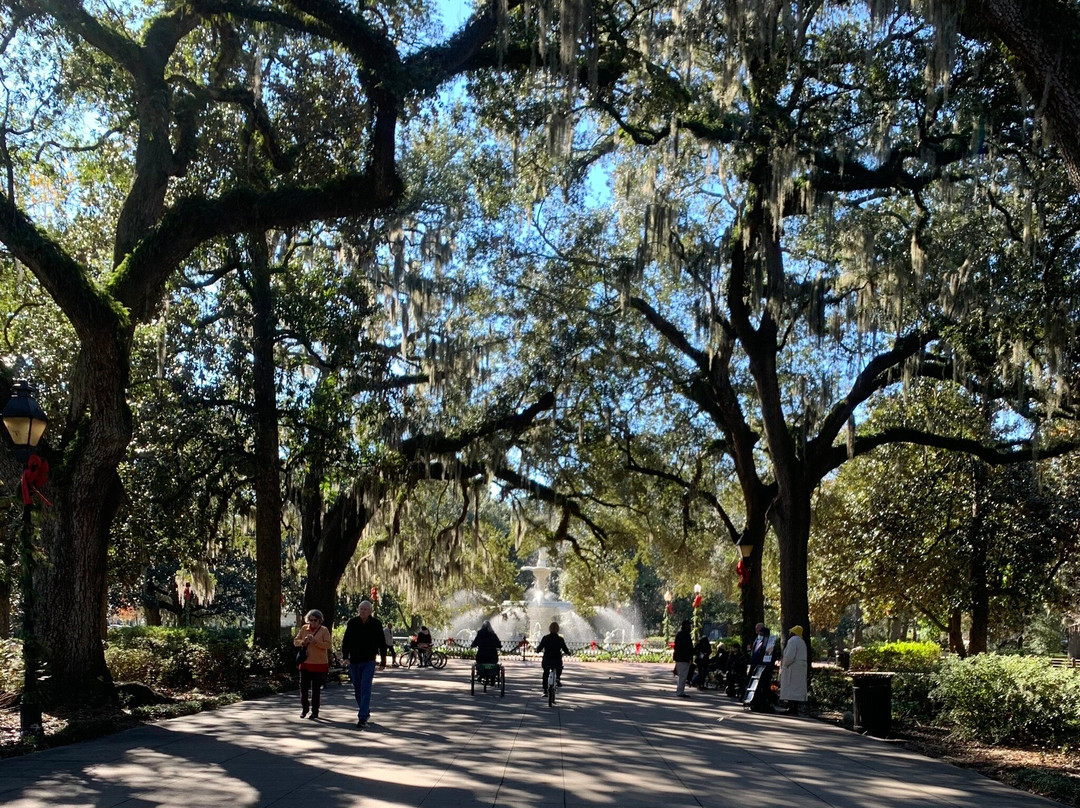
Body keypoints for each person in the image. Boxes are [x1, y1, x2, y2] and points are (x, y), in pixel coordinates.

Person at [340, 600, 387, 728]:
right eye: (361, 609)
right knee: (357, 690)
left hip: (368, 661)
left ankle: (362, 718)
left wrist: (383, 661)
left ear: (370, 611)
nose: (362, 611)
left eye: (365, 609)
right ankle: (365, 711)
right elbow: (346, 641)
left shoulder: (376, 624)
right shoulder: (353, 622)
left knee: (365, 688)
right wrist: (345, 657)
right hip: (354, 661)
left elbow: (382, 643)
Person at [293, 609, 332, 719]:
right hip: (305, 663)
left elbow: (328, 645)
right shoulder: (304, 628)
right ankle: (305, 708)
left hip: (319, 664)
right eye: (310, 620)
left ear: (320, 620)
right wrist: (303, 642)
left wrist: (316, 642)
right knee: (303, 688)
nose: (313, 622)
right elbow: (296, 641)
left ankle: (315, 711)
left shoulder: (324, 630)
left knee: (316, 690)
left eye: (315, 620)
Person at [535, 621, 571, 694]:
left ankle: (545, 690)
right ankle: (557, 678)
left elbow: (539, 648)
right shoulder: (560, 639)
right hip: (556, 659)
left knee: (545, 673)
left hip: (547, 660)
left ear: (549, 629)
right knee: (559, 667)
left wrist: (537, 650)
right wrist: (568, 653)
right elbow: (565, 649)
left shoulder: (545, 638)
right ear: (558, 629)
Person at [780, 625, 809, 715]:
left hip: (792, 668)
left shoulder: (792, 641)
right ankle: (794, 708)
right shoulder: (801, 641)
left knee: (790, 688)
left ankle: (791, 708)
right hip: (800, 669)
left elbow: (789, 656)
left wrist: (784, 664)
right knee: (797, 689)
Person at [747, 623, 776, 713]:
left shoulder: (769, 644)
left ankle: (763, 703)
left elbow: (770, 656)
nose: (759, 635)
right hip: (757, 666)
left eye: (761, 633)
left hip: (764, 668)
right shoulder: (759, 641)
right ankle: (755, 702)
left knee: (763, 687)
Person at [673, 619, 693, 697]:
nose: (690, 626)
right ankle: (680, 692)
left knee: (681, 675)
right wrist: (690, 657)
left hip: (679, 657)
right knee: (683, 676)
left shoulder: (679, 634)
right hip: (684, 658)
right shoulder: (686, 635)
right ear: (685, 626)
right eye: (689, 625)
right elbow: (688, 648)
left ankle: (679, 690)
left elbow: (676, 647)